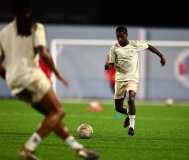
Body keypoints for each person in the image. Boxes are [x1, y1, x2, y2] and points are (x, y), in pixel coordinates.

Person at [0, 0, 99, 160]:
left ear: (13, 12)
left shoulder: (3, 33)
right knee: (59, 111)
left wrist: (10, 78)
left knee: (51, 115)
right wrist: (58, 74)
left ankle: (78, 148)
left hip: (14, 83)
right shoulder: (35, 27)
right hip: (31, 77)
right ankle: (28, 147)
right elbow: (44, 54)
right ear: (28, 11)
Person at [104, 26, 166, 136]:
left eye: (121, 37)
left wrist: (161, 56)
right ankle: (128, 114)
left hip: (133, 78)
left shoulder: (135, 44)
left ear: (126, 35)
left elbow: (149, 46)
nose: (119, 39)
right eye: (117, 37)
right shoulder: (114, 48)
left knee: (131, 99)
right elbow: (111, 65)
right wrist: (107, 66)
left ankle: (132, 127)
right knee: (118, 108)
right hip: (120, 80)